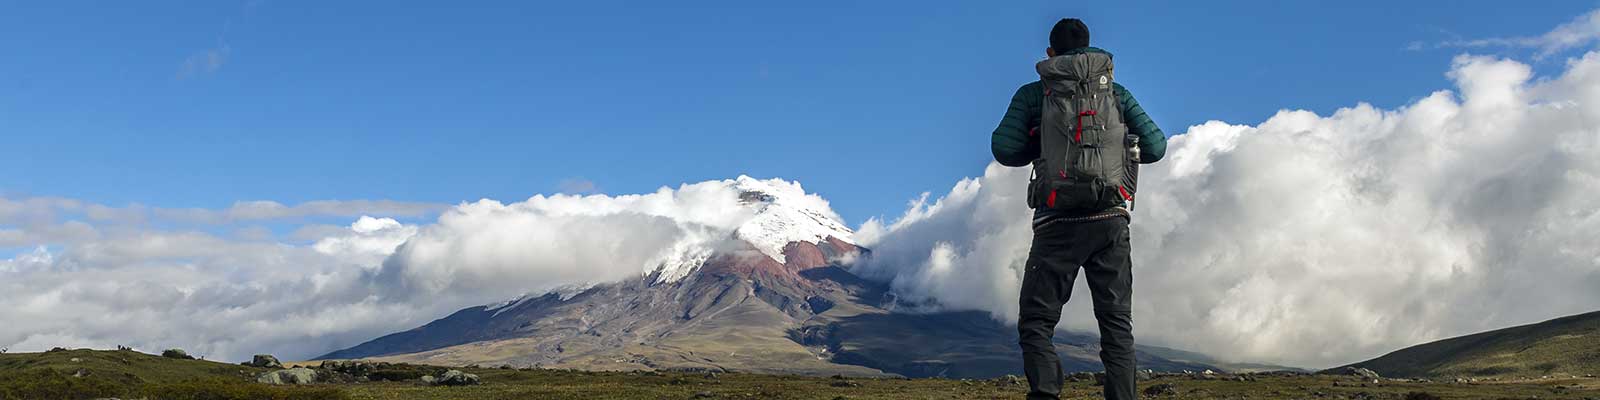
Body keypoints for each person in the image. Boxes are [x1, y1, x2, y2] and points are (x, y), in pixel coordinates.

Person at [989, 18, 1167, 400]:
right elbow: (1155, 146)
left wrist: (1041, 147)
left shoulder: (1034, 94)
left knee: (1037, 322)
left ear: (1050, 54)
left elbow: (1003, 149)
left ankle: (1046, 395)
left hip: (1057, 223)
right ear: (1091, 50)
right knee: (1116, 325)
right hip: (1110, 220)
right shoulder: (1115, 92)